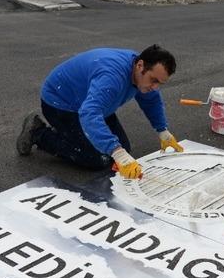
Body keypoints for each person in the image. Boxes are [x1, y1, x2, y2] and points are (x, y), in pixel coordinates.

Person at [15, 45, 184, 179]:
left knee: (122, 148)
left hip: (93, 103)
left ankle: (73, 136)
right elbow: (89, 114)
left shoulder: (141, 70)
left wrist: (163, 131)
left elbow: (151, 100)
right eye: (153, 80)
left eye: (160, 83)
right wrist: (116, 152)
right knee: (96, 158)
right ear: (140, 66)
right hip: (61, 103)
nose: (155, 87)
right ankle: (38, 132)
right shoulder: (112, 77)